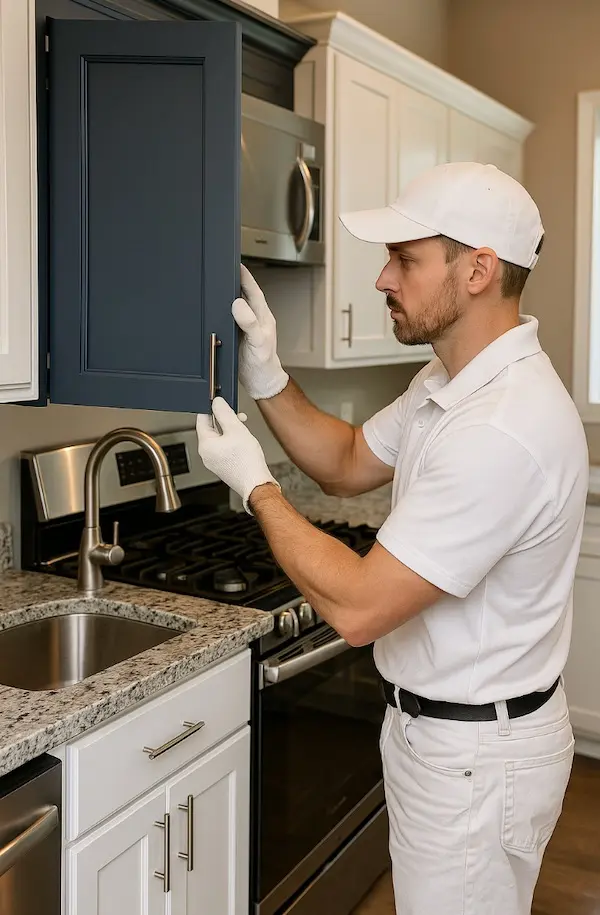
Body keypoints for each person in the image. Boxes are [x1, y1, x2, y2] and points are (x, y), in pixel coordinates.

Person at [195, 161, 589, 915]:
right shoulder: (447, 383)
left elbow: (360, 607)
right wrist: (268, 373)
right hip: (442, 738)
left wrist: (256, 485)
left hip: (474, 761)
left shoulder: (502, 426)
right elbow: (346, 462)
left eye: (406, 258)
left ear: (478, 269)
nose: (382, 278)